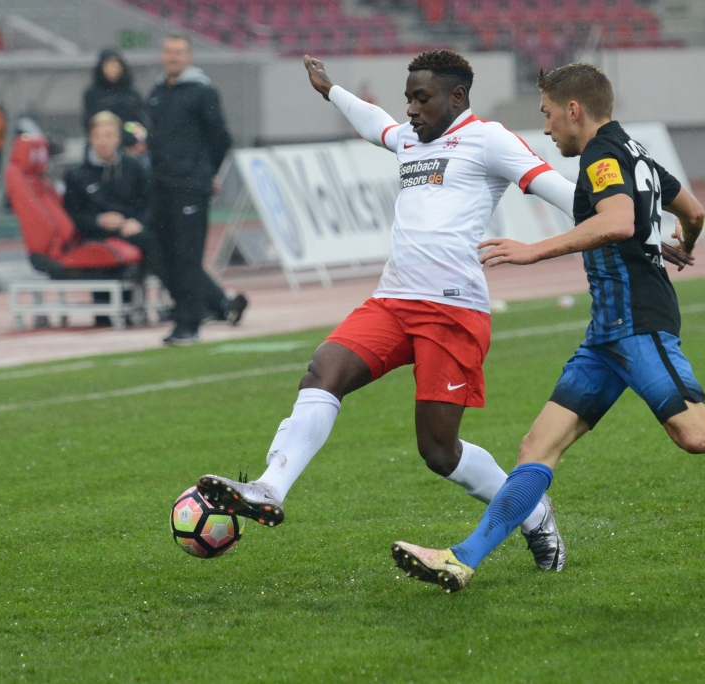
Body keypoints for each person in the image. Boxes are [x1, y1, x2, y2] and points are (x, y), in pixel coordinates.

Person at [391, 62, 705, 593]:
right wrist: (680, 246)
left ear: (574, 110)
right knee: (536, 448)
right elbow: (693, 213)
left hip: (636, 320)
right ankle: (463, 559)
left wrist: (533, 251)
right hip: (607, 332)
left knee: (696, 433)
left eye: (548, 114)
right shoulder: (635, 152)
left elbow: (618, 222)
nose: (546, 128)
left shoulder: (601, 157)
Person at [195, 50, 590, 572]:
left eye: (421, 98)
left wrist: (632, 228)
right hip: (394, 301)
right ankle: (270, 487)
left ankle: (534, 512)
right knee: (324, 369)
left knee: (439, 452)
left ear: (457, 97)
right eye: (408, 99)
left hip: (452, 311)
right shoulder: (409, 138)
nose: (411, 109)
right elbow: (374, 123)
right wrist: (330, 90)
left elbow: (563, 192)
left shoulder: (488, 139)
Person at [146, 33, 247, 346]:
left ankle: (188, 324)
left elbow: (221, 138)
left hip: (189, 187)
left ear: (189, 56)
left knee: (187, 257)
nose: (172, 56)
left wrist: (204, 172)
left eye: (179, 51)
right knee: (162, 255)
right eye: (168, 51)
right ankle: (213, 305)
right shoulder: (157, 92)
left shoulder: (203, 92)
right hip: (160, 185)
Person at [64, 111, 171, 299]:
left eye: (108, 135)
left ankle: (182, 296)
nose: (103, 141)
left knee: (159, 237)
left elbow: (150, 203)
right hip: (97, 235)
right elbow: (73, 215)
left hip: (132, 230)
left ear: (118, 139)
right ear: (90, 139)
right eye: (98, 136)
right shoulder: (77, 175)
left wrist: (138, 222)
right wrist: (98, 221)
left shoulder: (134, 168)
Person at [83, 50, 148, 157]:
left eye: (115, 65)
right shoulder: (93, 94)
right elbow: (89, 122)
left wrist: (138, 140)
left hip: (130, 147)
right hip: (101, 147)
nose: (113, 69)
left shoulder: (132, 93)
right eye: (108, 65)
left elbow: (142, 120)